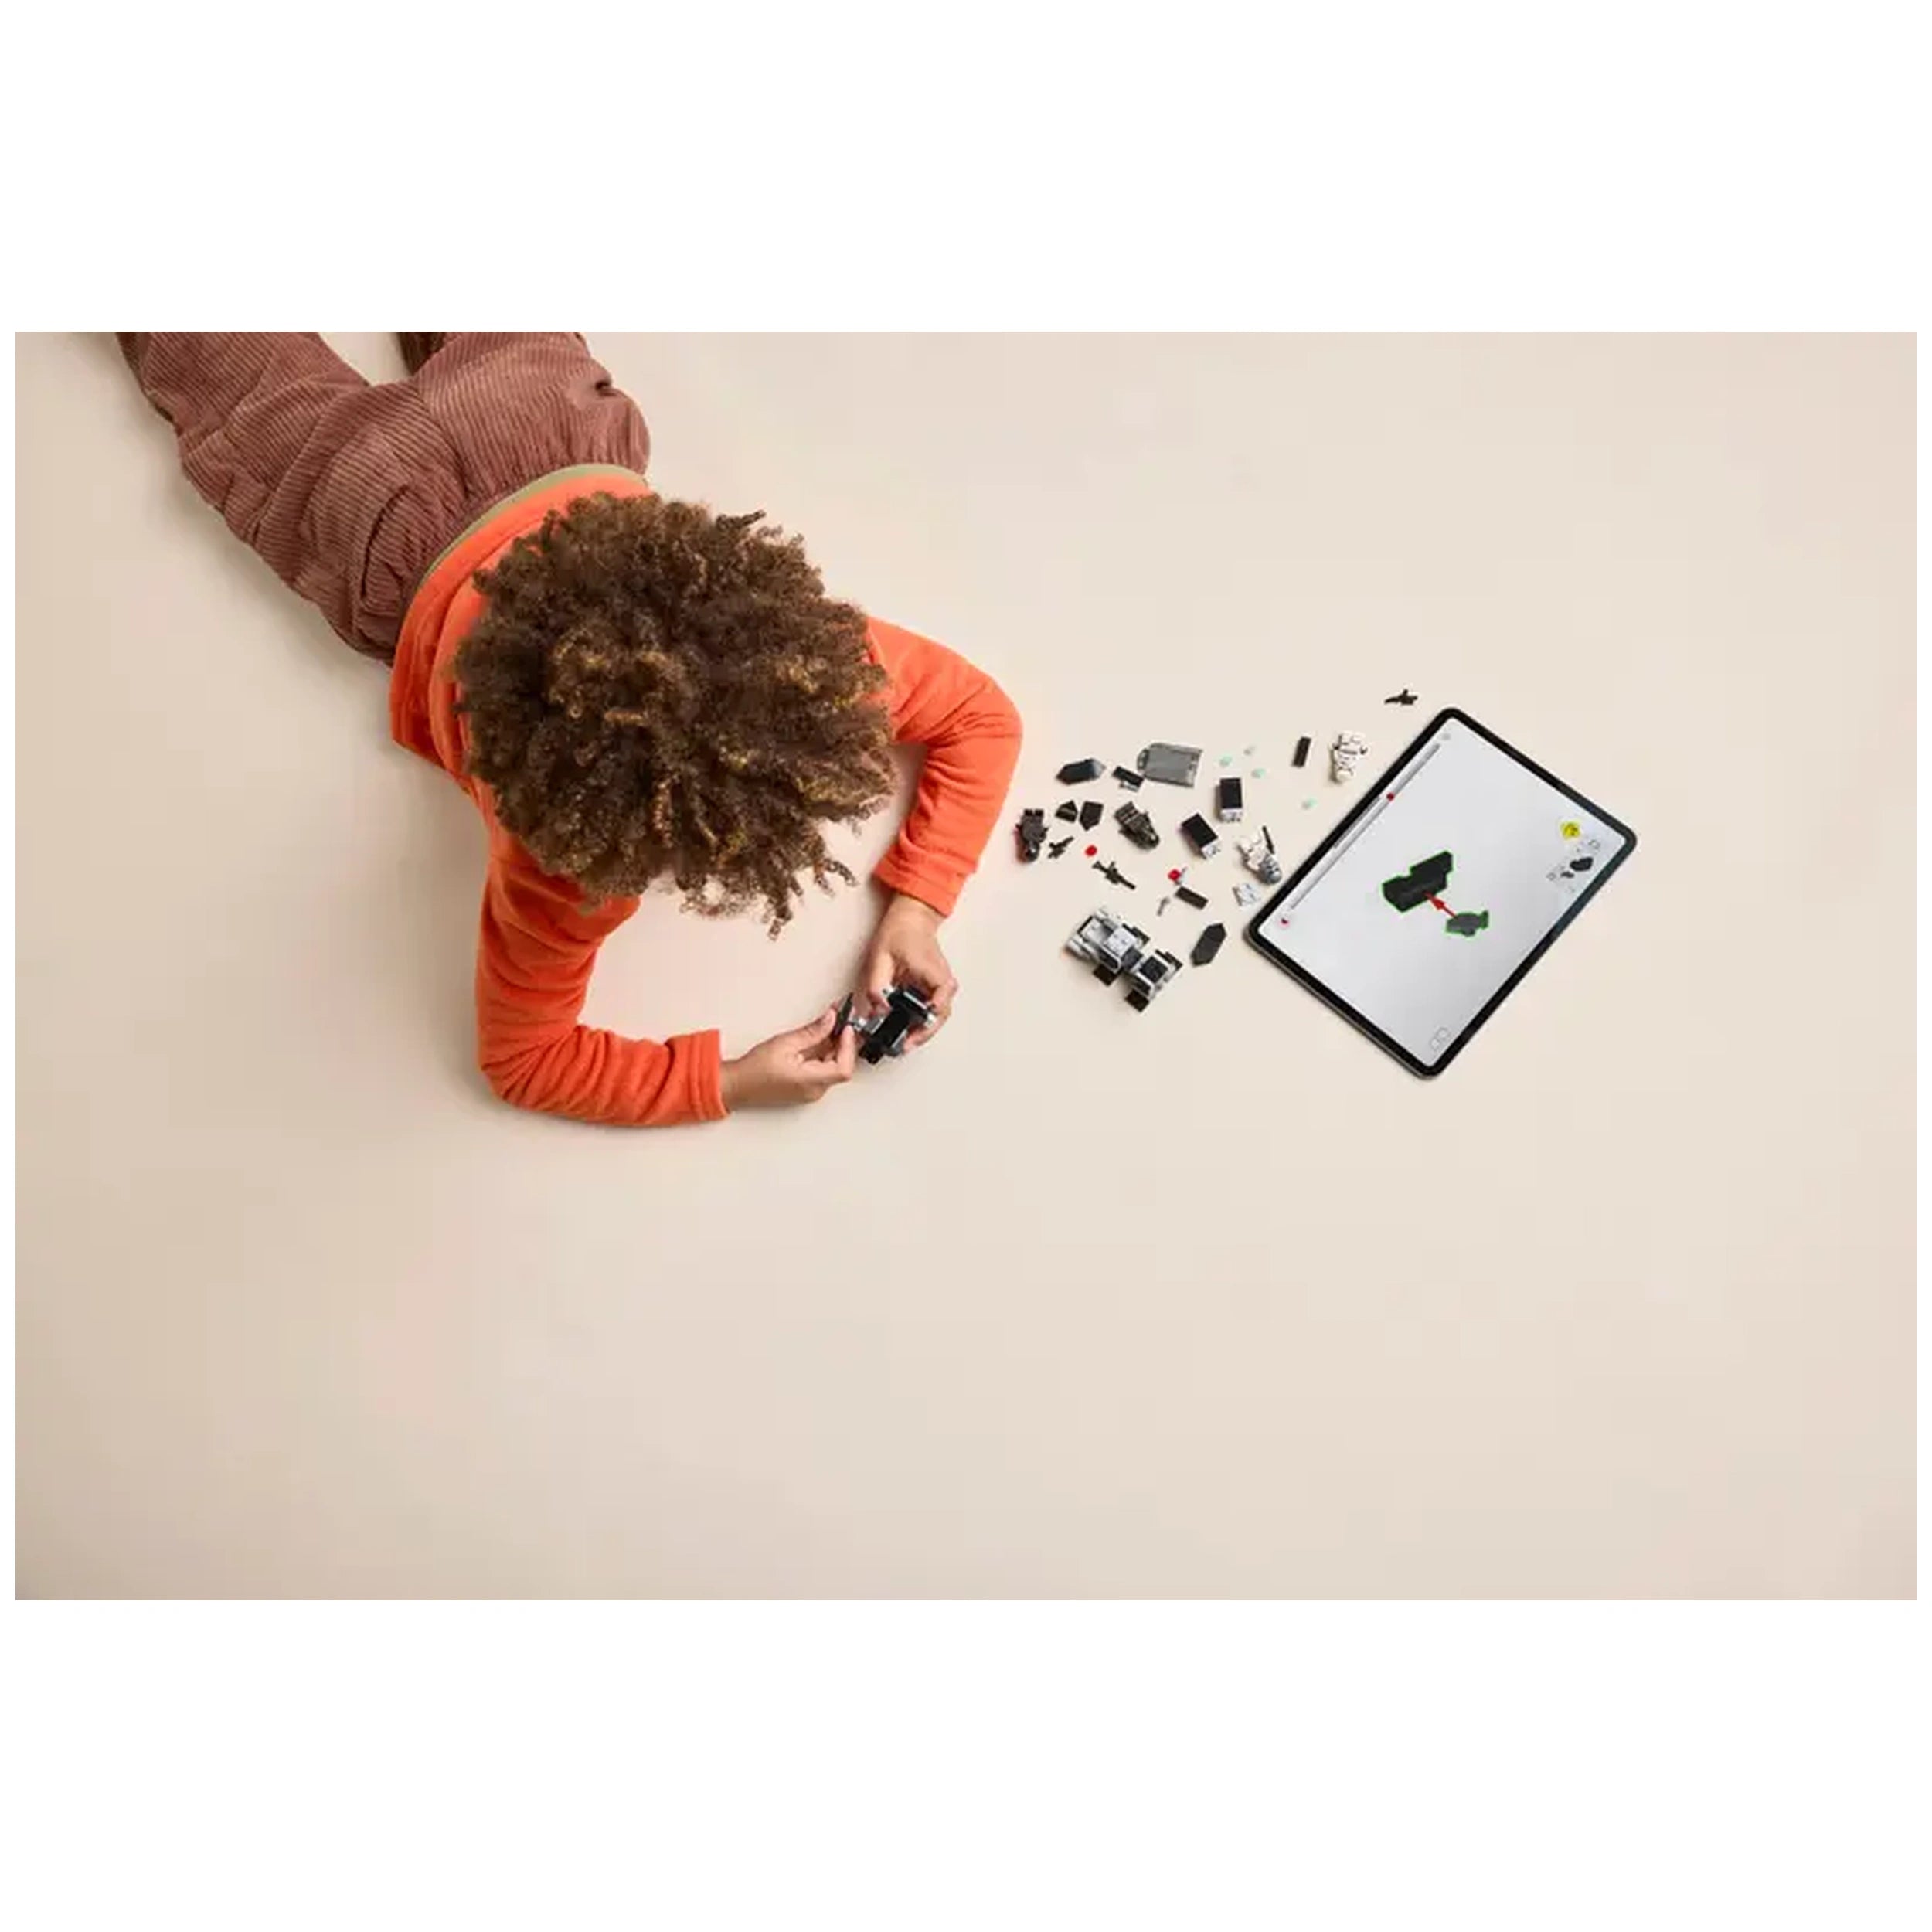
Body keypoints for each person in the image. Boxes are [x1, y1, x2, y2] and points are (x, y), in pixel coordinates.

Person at [118, 332, 1022, 1126]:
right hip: (371, 528)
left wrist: (916, 911)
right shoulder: (559, 860)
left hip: (538, 417)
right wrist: (732, 1077)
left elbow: (981, 716)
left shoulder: (802, 660)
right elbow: (526, 1059)